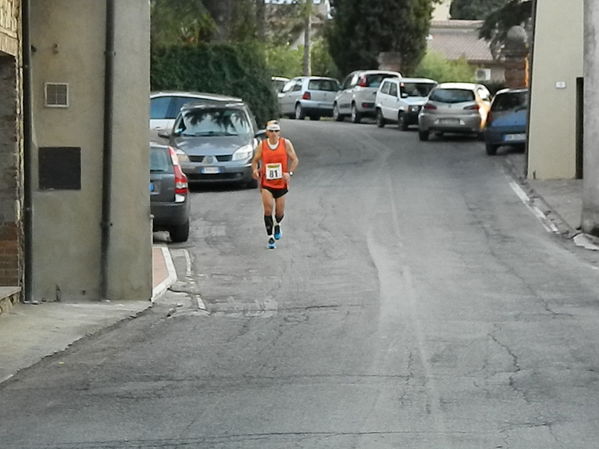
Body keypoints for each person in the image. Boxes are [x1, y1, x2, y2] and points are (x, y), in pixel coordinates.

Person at [251, 120, 299, 249]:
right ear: (267, 132)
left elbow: (295, 160)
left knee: (279, 212)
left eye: (276, 131)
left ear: (279, 132)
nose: (274, 134)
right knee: (267, 209)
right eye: (271, 131)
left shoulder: (285, 143)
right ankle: (270, 238)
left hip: (281, 183)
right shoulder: (263, 145)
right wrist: (255, 170)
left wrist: (289, 173)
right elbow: (255, 161)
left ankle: (277, 224)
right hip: (267, 182)